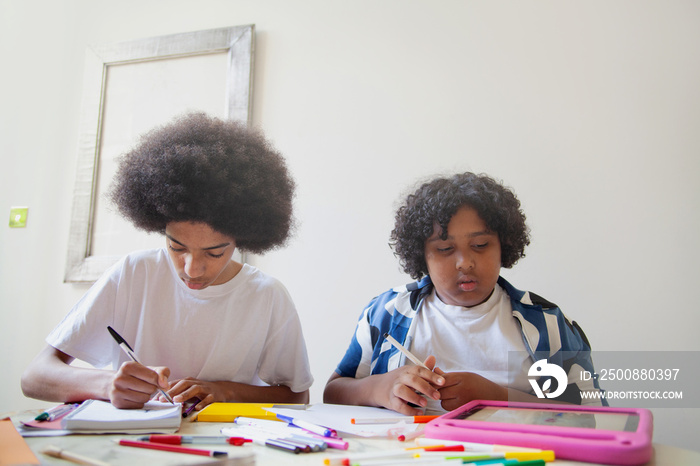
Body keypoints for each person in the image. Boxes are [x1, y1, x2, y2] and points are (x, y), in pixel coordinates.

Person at [22, 113, 313, 411]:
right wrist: (107, 385)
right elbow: (34, 377)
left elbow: (297, 396)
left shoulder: (267, 296)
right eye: (176, 247)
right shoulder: (134, 273)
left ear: (243, 237)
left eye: (214, 253)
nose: (191, 270)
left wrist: (224, 391)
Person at [324, 172, 605, 415]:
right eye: (445, 249)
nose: (465, 263)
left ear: (503, 246)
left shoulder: (547, 324)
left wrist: (497, 397)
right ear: (421, 256)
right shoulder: (386, 313)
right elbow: (333, 392)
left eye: (481, 245)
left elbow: (594, 413)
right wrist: (380, 388)